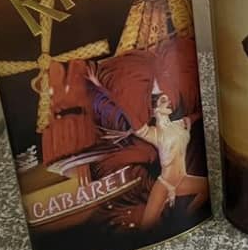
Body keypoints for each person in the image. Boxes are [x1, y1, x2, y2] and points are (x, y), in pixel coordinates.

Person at [88, 70, 209, 230]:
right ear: (155, 110)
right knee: (147, 225)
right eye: (163, 101)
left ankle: (188, 216)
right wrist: (99, 86)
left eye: (167, 99)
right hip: (164, 184)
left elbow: (201, 111)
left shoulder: (181, 124)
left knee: (205, 188)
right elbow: (125, 109)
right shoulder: (154, 134)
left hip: (183, 180)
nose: (168, 102)